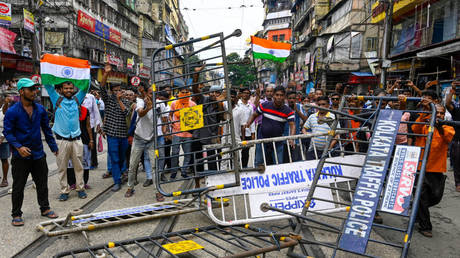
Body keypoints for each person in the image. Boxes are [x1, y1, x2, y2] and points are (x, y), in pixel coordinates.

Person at [4, 78, 59, 226]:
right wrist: (18, 147)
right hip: (20, 156)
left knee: (42, 183)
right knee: (18, 186)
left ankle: (45, 208)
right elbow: (8, 133)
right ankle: (16, 214)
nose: (35, 92)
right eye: (31, 89)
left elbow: (47, 130)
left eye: (35, 89)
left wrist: (54, 147)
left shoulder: (40, 109)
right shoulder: (12, 111)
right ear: (22, 91)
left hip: (38, 154)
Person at [412, 102, 454, 237]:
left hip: (436, 169)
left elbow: (448, 137)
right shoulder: (423, 124)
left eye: (442, 113)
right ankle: (425, 226)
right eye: (437, 112)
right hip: (420, 167)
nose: (440, 115)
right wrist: (425, 114)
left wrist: (438, 126)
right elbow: (414, 130)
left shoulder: (447, 126)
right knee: (422, 197)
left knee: (436, 197)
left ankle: (417, 209)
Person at [44, 79, 88, 201]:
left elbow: (85, 87)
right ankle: (64, 190)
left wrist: (84, 72)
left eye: (70, 88)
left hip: (76, 140)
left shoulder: (77, 99)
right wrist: (45, 64)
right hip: (61, 140)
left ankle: (80, 189)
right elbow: (48, 84)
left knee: (79, 167)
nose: (68, 90)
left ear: (73, 89)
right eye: (66, 88)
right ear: (61, 89)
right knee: (62, 168)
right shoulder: (56, 99)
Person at [125, 86, 166, 201]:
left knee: (154, 166)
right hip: (138, 139)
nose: (151, 95)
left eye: (154, 93)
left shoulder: (160, 104)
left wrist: (164, 130)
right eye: (149, 93)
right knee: (133, 165)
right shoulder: (140, 101)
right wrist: (148, 108)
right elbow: (141, 114)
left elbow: (164, 118)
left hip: (152, 139)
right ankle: (130, 187)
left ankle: (158, 191)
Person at [245, 86, 295, 167]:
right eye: (277, 95)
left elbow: (292, 125)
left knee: (278, 164)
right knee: (259, 162)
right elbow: (254, 114)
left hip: (278, 141)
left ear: (284, 97)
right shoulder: (264, 105)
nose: (279, 97)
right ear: (273, 96)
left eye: (281, 95)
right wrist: (248, 124)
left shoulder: (288, 111)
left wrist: (291, 138)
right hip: (262, 139)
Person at [99, 64, 130, 192]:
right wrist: (106, 73)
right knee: (114, 158)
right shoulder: (108, 99)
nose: (118, 92)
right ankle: (117, 181)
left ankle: (123, 172)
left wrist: (120, 100)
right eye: (115, 90)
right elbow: (101, 88)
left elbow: (126, 113)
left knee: (122, 157)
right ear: (112, 91)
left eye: (120, 90)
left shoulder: (126, 101)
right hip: (112, 135)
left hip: (123, 136)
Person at [170, 87, 196, 178]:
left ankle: (184, 171)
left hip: (188, 133)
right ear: (179, 93)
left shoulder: (192, 104)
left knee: (187, 153)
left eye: (186, 92)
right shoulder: (174, 103)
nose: (184, 94)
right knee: (175, 153)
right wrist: (171, 122)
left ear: (189, 93)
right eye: (183, 92)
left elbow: (196, 118)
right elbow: (170, 114)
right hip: (176, 132)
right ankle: (173, 172)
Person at [66, 105, 94, 189]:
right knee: (70, 163)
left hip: (84, 139)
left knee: (85, 162)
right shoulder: (67, 109)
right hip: (70, 139)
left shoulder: (85, 110)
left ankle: (84, 182)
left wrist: (91, 140)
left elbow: (88, 126)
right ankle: (72, 183)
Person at [445, 80, 460, 192]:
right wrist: (453, 90)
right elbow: (447, 103)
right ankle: (458, 183)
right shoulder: (456, 109)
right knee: (457, 162)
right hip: (457, 139)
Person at [82, 91, 102, 169]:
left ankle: (93, 163)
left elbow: (96, 111)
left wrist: (98, 124)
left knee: (91, 144)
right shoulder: (74, 96)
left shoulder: (91, 97)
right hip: (79, 125)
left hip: (91, 124)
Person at [236, 87, 255, 168]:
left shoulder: (250, 107)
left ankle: (244, 167)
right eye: (244, 93)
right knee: (236, 151)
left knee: (245, 152)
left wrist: (253, 133)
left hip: (247, 133)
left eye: (248, 93)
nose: (246, 95)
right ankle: (236, 168)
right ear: (241, 94)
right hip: (237, 132)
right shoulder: (236, 104)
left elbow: (252, 119)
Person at [0, 94, 12, 187]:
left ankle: (4, 179)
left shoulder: (6, 110)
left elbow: (8, 125)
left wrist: (2, 137)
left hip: (3, 140)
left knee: (4, 159)